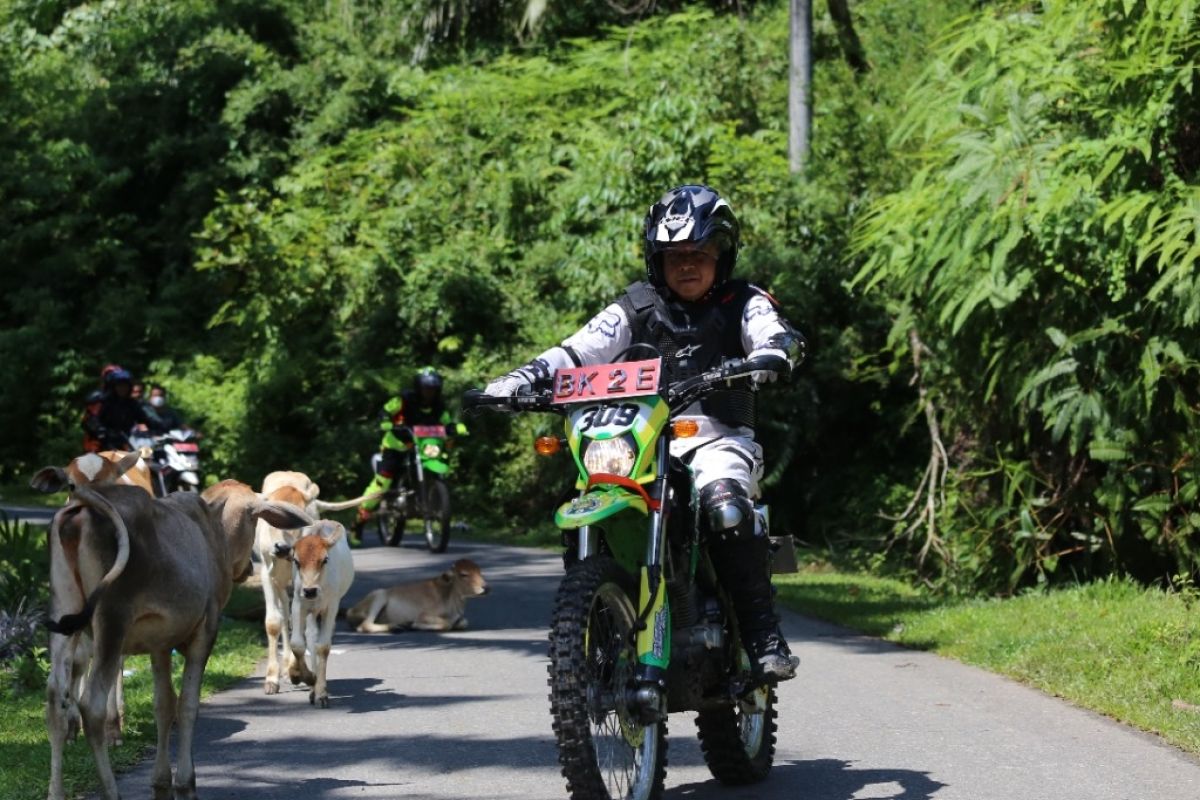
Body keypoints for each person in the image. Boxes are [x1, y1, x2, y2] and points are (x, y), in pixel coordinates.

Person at [481, 184, 806, 683]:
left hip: (714, 438)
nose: (687, 265)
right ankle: (592, 629)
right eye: (674, 255)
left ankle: (762, 634)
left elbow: (774, 335)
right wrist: (518, 380)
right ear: (657, 259)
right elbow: (577, 351)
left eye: (700, 253)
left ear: (723, 255)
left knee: (725, 506)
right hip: (635, 435)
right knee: (588, 496)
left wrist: (775, 351)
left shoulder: (746, 302)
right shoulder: (635, 306)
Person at [354, 367, 467, 539]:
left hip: (424, 449)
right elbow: (385, 412)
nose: (429, 392)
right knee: (383, 482)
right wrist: (385, 421)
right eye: (426, 388)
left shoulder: (439, 406)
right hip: (396, 446)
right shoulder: (403, 400)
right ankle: (359, 522)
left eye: (433, 388)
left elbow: (447, 423)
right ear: (418, 387)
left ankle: (428, 502)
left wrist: (455, 427)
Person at [81, 367, 164, 451]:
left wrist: (157, 427)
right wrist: (100, 430)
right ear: (113, 386)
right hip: (99, 442)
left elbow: (143, 418)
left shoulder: (132, 404)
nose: (123, 388)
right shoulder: (102, 401)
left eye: (125, 385)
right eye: (119, 385)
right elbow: (89, 420)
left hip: (122, 441)